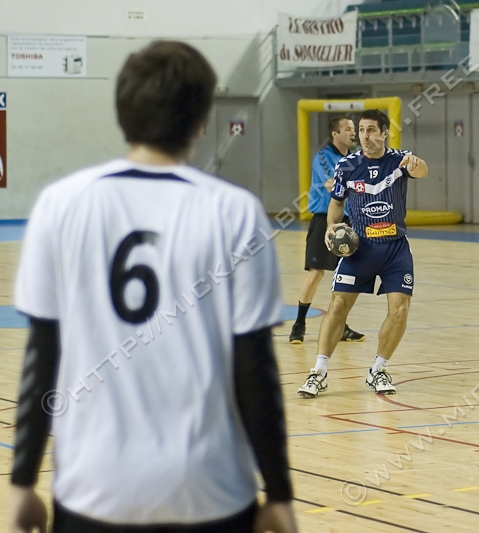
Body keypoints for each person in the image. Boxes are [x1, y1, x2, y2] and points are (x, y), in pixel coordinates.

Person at [9, 42, 297, 533]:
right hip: (209, 489)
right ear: (202, 120)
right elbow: (255, 367)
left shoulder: (59, 205)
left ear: (123, 114)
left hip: (92, 488)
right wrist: (280, 494)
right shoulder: (235, 211)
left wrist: (20, 483)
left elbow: (43, 357)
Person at [297, 109, 428, 398]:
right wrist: (331, 227)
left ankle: (378, 370)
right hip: (360, 249)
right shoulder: (347, 166)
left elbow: (421, 171)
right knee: (339, 305)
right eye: (361, 130)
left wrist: (417, 164)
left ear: (384, 133)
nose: (365, 136)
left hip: (395, 249)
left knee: (400, 310)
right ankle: (318, 372)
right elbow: (336, 204)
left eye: (371, 130)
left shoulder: (399, 160)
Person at [289, 115, 365, 344]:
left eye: (354, 129)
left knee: (347, 276)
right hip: (325, 220)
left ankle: (341, 326)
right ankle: (299, 324)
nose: (353, 133)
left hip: (350, 221)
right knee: (316, 272)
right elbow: (333, 184)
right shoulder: (323, 157)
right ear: (335, 134)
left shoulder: (356, 158)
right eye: (348, 129)